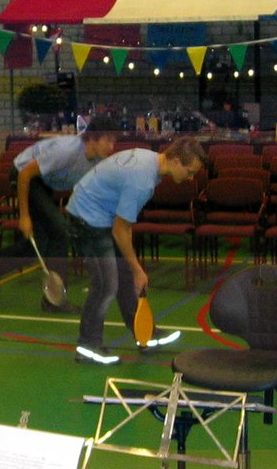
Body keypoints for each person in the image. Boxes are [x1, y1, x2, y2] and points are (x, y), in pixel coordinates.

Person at [64, 139, 203, 364]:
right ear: (176, 161)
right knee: (106, 283)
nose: (190, 178)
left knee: (124, 277)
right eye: (190, 172)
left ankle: (145, 334)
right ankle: (87, 346)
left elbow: (122, 226)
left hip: (100, 214)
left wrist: (132, 269)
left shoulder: (150, 160)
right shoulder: (142, 182)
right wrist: (138, 269)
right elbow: (121, 230)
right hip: (85, 218)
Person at [0, 118, 120, 310]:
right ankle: (55, 301)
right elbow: (25, 174)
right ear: (92, 138)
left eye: (113, 141)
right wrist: (24, 216)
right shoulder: (67, 151)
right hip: (24, 175)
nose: (112, 147)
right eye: (108, 141)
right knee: (61, 231)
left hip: (44, 182)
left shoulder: (99, 160)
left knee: (41, 244)